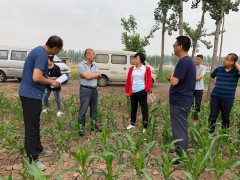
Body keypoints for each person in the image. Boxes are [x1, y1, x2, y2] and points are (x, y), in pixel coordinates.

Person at [18, 35, 63, 171]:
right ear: (55, 48)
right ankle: (33, 158)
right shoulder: (42, 55)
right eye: (59, 50)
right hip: (30, 95)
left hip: (33, 95)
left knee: (35, 124)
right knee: (31, 127)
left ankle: (38, 148)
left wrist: (50, 78)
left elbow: (38, 74)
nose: (58, 52)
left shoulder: (38, 51)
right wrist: (51, 82)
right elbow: (36, 77)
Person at [167, 36, 196, 158]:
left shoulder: (183, 61)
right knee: (181, 127)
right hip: (185, 100)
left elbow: (174, 82)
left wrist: (171, 78)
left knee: (179, 129)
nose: (173, 47)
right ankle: (180, 151)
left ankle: (180, 156)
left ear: (180, 47)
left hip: (180, 101)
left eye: (175, 45)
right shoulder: (189, 61)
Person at [208, 53, 240, 134]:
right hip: (215, 97)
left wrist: (236, 63)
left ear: (232, 62)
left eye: (226, 59)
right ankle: (210, 134)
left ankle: (224, 135)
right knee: (212, 116)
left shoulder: (236, 72)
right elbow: (211, 76)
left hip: (227, 99)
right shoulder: (219, 69)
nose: (224, 60)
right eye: (224, 58)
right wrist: (215, 83)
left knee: (225, 117)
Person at [125, 52, 152, 133]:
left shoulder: (146, 69)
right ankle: (132, 123)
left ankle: (145, 127)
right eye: (134, 58)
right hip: (133, 91)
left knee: (144, 109)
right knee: (133, 108)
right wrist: (127, 91)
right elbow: (128, 80)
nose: (134, 59)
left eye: (136, 58)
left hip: (142, 91)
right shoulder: (131, 69)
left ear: (140, 60)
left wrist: (145, 90)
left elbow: (149, 81)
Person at [78, 48, 102, 136]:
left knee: (94, 110)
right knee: (83, 109)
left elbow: (99, 74)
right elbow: (87, 77)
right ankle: (81, 128)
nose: (94, 56)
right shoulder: (81, 65)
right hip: (85, 90)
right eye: (93, 54)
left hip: (94, 90)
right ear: (87, 55)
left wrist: (90, 75)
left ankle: (93, 126)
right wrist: (92, 75)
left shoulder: (95, 65)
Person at [193, 55, 206, 120]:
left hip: (199, 88)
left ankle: (196, 117)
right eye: (196, 59)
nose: (196, 60)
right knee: (190, 102)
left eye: (198, 59)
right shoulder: (192, 66)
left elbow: (200, 76)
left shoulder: (203, 67)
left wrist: (190, 78)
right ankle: (190, 115)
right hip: (191, 88)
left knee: (198, 103)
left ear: (201, 60)